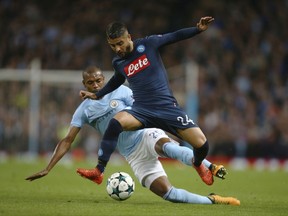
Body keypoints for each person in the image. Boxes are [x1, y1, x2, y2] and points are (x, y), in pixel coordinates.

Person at [26, 66, 240, 205]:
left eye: (99, 80)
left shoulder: (121, 91)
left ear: (104, 79)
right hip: (133, 155)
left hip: (146, 134)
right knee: (168, 193)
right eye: (91, 83)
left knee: (168, 147)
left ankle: (208, 166)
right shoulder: (84, 110)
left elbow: (143, 109)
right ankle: (213, 201)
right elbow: (67, 140)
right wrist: (48, 167)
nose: (96, 85)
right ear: (85, 85)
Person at [78, 16, 217, 185]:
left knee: (202, 145)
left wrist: (197, 29)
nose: (117, 48)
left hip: (167, 108)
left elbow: (173, 36)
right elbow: (117, 80)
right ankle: (99, 171)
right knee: (115, 123)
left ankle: (197, 164)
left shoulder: (148, 44)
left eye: (120, 43)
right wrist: (97, 94)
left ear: (129, 37)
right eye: (113, 45)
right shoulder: (118, 62)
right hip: (141, 109)